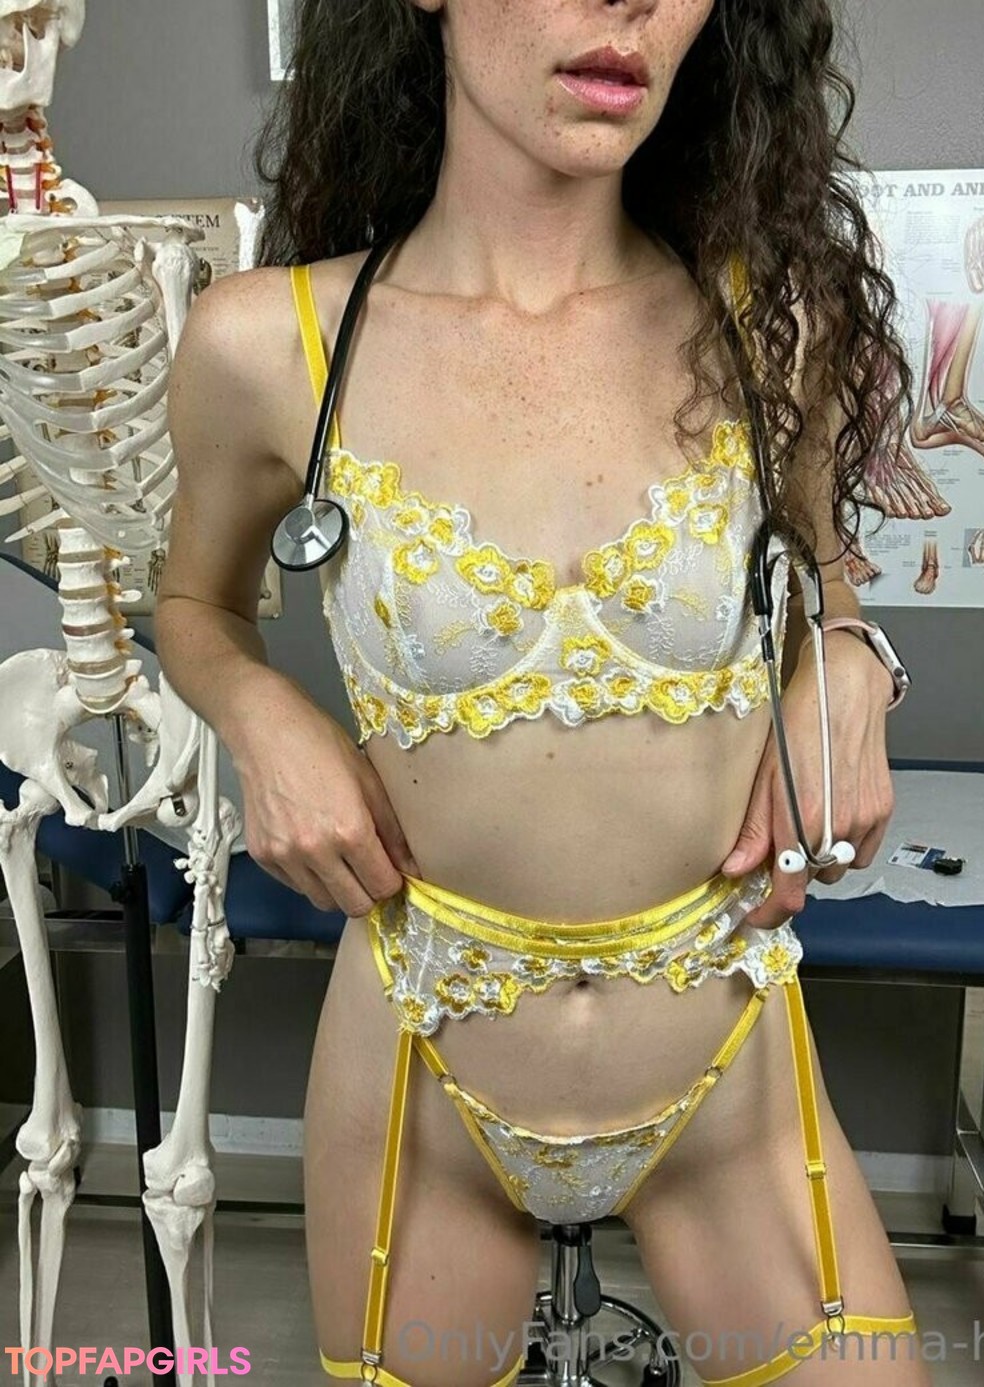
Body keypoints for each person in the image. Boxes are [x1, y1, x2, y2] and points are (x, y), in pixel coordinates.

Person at [155, 0, 930, 1382]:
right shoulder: (268, 345)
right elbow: (194, 606)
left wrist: (854, 665)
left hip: (729, 1068)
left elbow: (826, 577)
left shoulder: (771, 321)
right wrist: (264, 716)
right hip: (425, 1071)